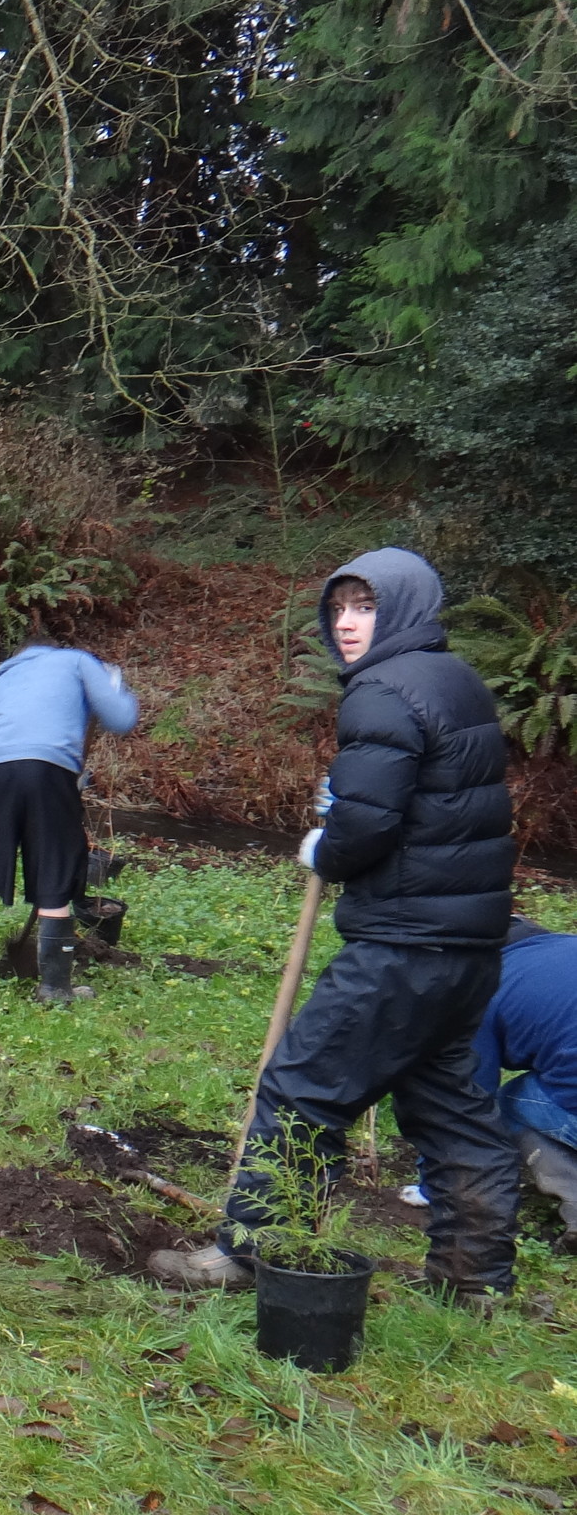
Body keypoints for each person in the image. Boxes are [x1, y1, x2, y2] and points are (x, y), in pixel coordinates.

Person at [150, 550, 523, 1300]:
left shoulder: (382, 691)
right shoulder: (458, 681)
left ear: (406, 609)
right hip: (471, 945)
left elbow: (371, 824)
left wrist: (333, 839)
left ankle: (251, 1257)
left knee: (300, 1090)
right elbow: (435, 796)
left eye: (367, 608)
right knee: (448, 1103)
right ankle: (473, 1278)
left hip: (403, 943)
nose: (348, 624)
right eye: (341, 608)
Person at [0, 643, 139, 1003]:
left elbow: (8, 729)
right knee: (54, 870)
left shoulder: (5, 672)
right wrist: (114, 684)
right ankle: (54, 988)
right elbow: (121, 720)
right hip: (49, 769)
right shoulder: (78, 661)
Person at [466, 918, 577, 1247]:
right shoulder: (565, 946)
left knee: (508, 1104)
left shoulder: (483, 986)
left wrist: (434, 1180)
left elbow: (472, 1095)